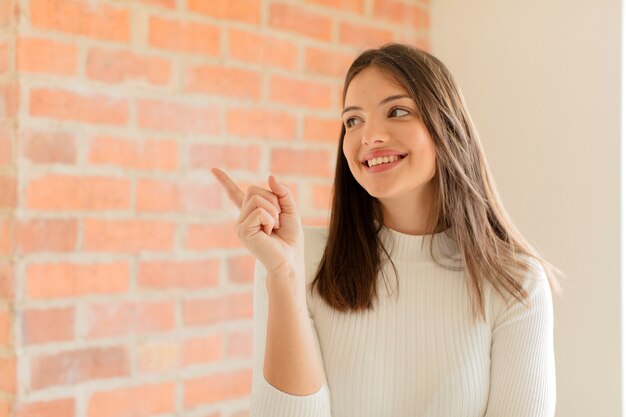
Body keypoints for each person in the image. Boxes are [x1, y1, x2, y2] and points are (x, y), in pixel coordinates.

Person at [212, 42, 563, 417]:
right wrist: (283, 275)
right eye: (353, 120)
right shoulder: (299, 260)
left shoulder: (515, 283)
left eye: (397, 111)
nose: (370, 137)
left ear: (447, 126)